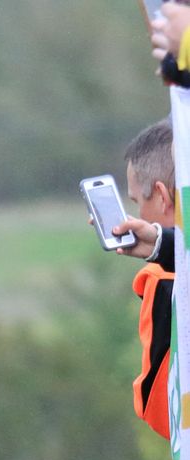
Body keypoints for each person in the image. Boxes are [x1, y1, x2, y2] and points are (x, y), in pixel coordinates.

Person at [108, 119, 176, 439]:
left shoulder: (164, 284)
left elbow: (160, 409)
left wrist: (161, 274)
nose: (136, 215)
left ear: (162, 197)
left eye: (137, 202)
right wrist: (163, 245)